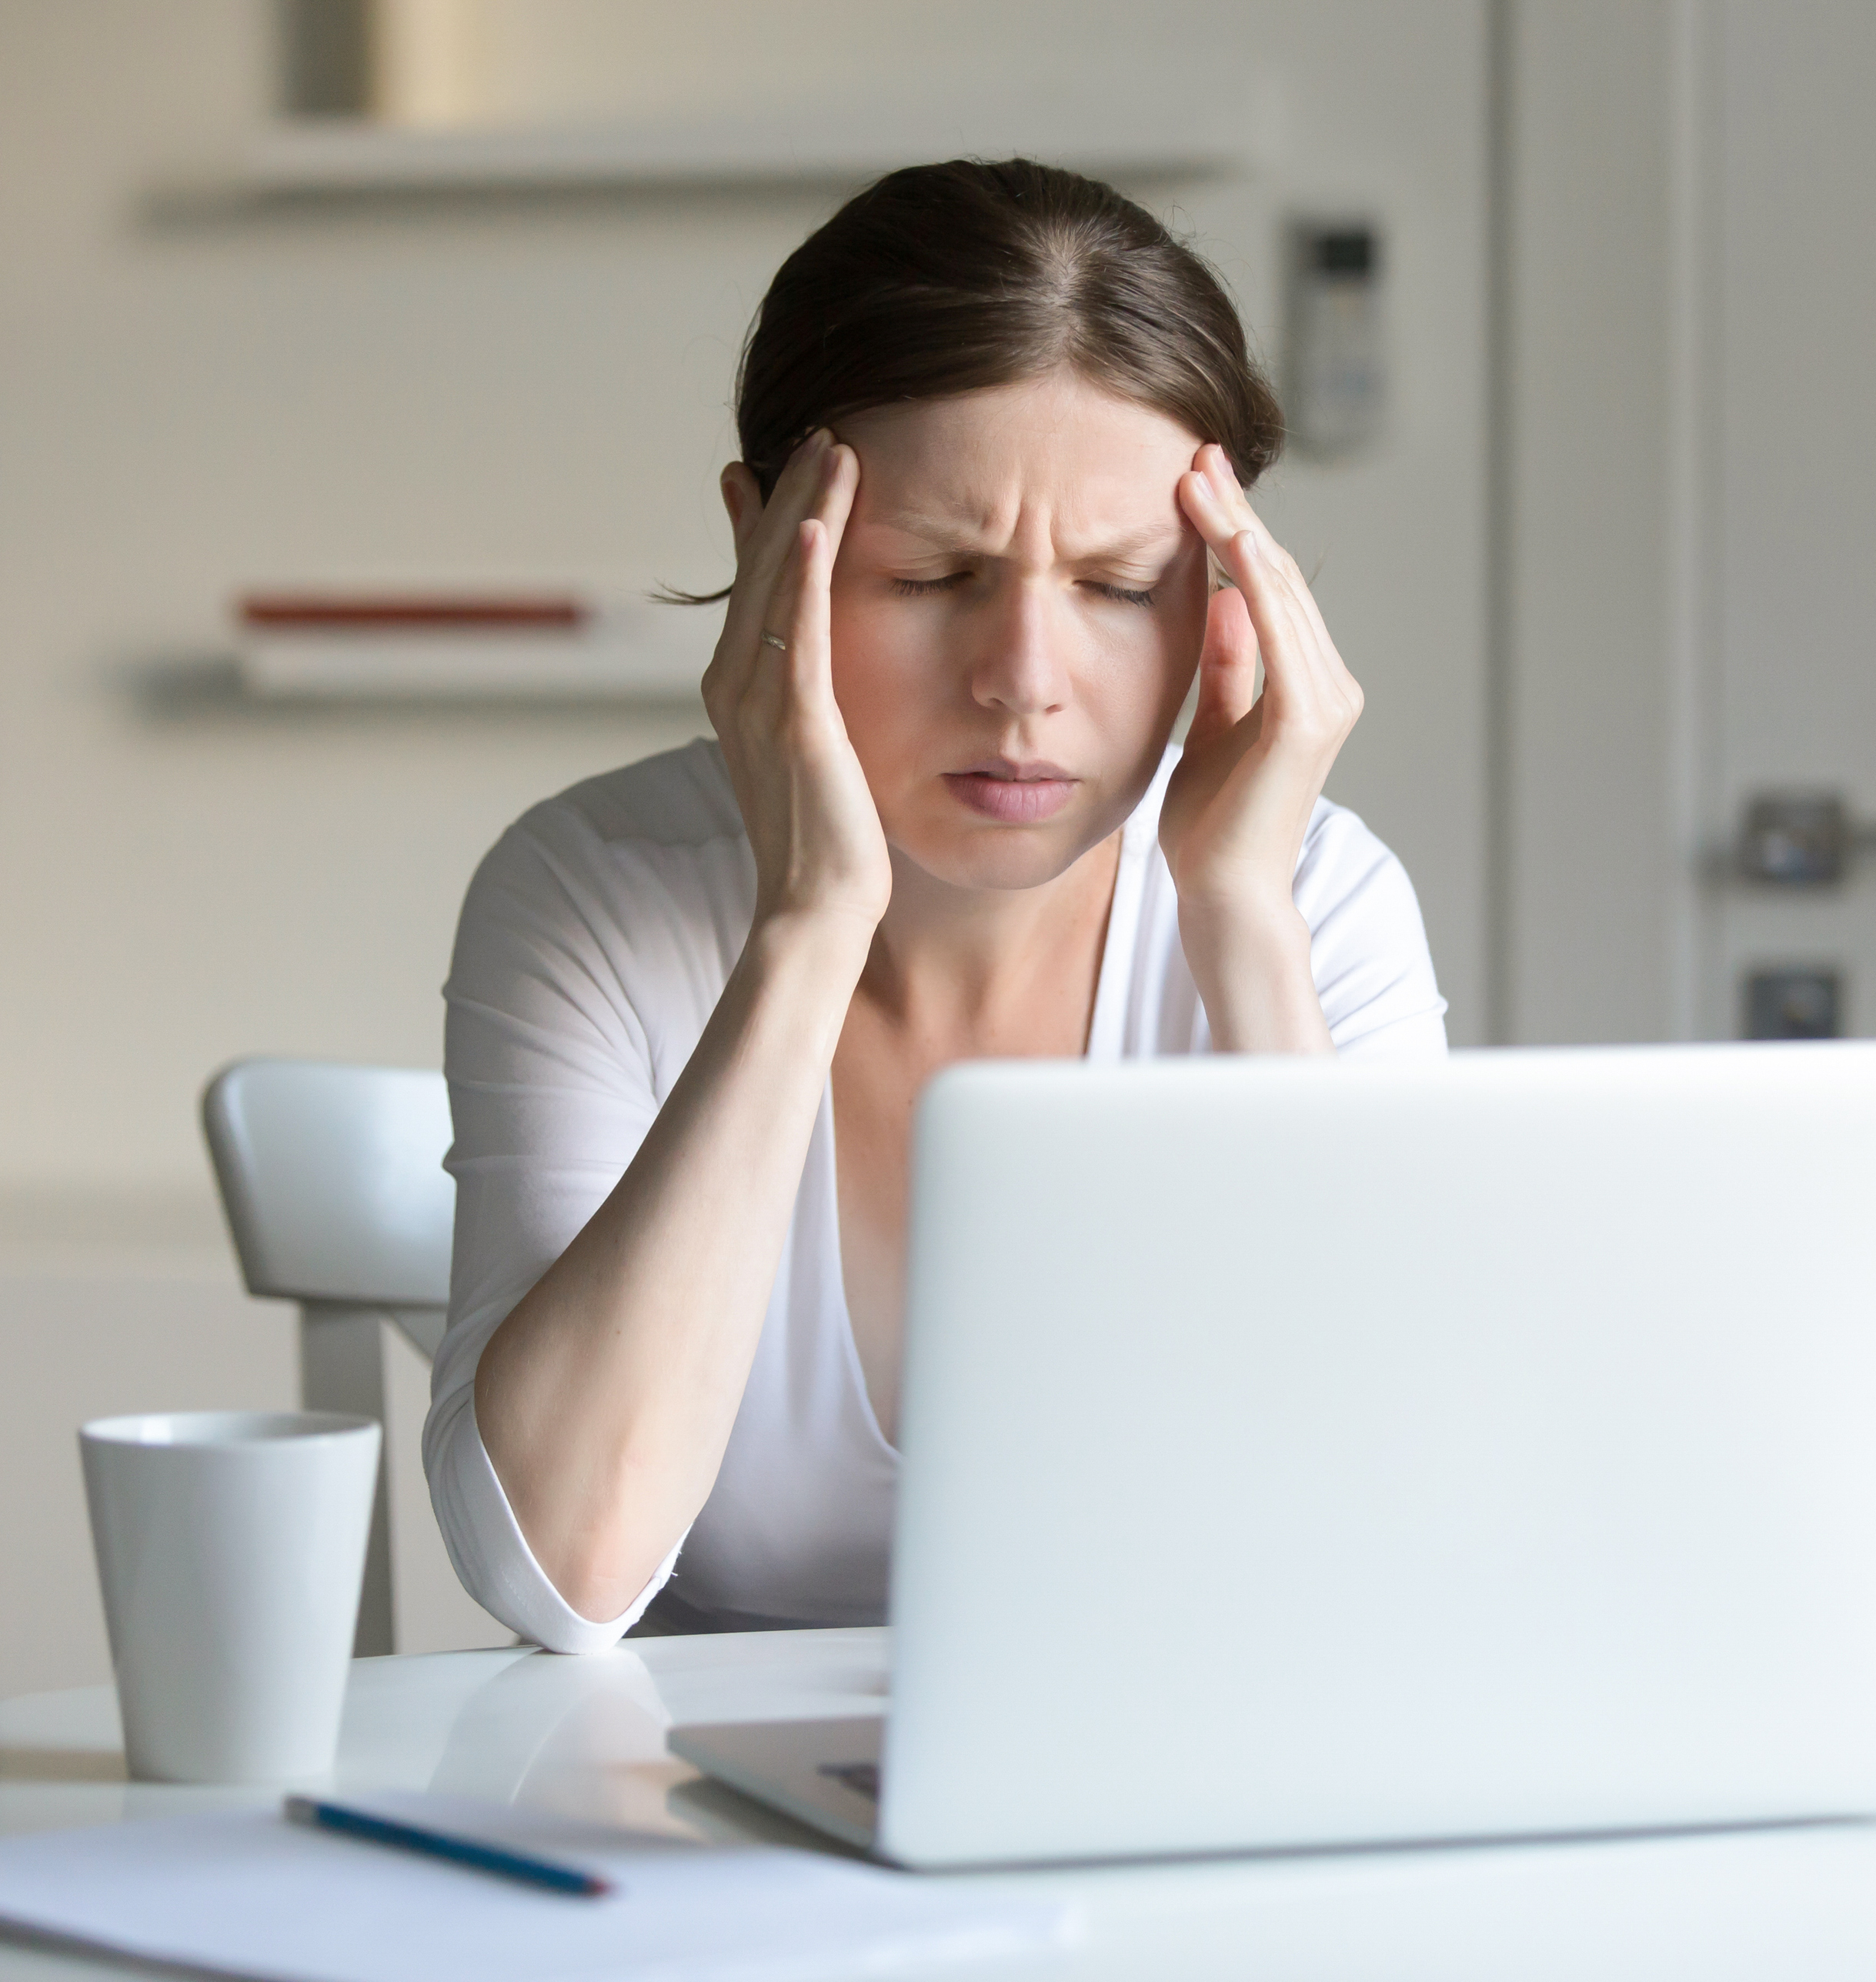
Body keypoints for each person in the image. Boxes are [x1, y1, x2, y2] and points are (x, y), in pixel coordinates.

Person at [428, 158, 1447, 1653]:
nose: (1024, 677)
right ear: (764, 542)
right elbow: (557, 1572)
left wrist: (1241, 927)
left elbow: (1395, 1538)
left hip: (1157, 1802)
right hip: (698, 1845)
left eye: (1118, 582)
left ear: (1227, 595)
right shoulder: (593, 895)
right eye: (932, 574)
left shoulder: (1313, 901)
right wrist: (804, 930)